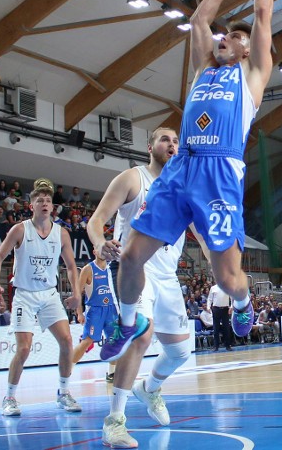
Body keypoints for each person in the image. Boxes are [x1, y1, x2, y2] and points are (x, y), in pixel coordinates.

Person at [99, 0, 278, 365]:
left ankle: (242, 302)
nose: (225, 38)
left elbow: (263, 18)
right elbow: (198, 19)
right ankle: (126, 322)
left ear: (247, 49)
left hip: (219, 172)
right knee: (129, 257)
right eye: (225, 35)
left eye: (234, 36)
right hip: (182, 168)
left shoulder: (252, 75)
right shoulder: (202, 69)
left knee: (227, 278)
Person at [88, 127, 194, 448]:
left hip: (167, 275)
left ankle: (148, 388)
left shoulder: (182, 187)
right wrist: (99, 244)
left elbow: (199, 230)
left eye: (176, 141)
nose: (172, 145)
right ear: (150, 147)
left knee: (179, 351)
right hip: (136, 269)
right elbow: (96, 221)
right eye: (165, 139)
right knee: (141, 335)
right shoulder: (132, 179)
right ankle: (115, 422)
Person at [0, 178, 82, 416]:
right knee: (24, 349)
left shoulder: (61, 234)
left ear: (53, 207)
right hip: (25, 295)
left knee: (67, 341)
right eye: (39, 200)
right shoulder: (20, 230)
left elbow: (71, 267)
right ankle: (9, 397)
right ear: (31, 206)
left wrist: (76, 294)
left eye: (48, 200)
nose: (44, 203)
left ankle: (63, 393)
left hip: (49, 294)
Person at [71, 255, 117, 383]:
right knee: (87, 341)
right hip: (95, 310)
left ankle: (112, 373)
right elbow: (77, 292)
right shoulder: (88, 269)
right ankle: (67, 370)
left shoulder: (111, 268)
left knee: (115, 340)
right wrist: (79, 313)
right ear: (94, 251)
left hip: (111, 308)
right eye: (99, 247)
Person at [207, 282, 233, 351]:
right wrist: (208, 307)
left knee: (226, 328)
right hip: (216, 309)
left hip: (225, 309)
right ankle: (216, 346)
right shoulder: (213, 288)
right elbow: (209, 299)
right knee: (216, 328)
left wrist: (231, 306)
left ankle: (228, 345)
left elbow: (232, 298)